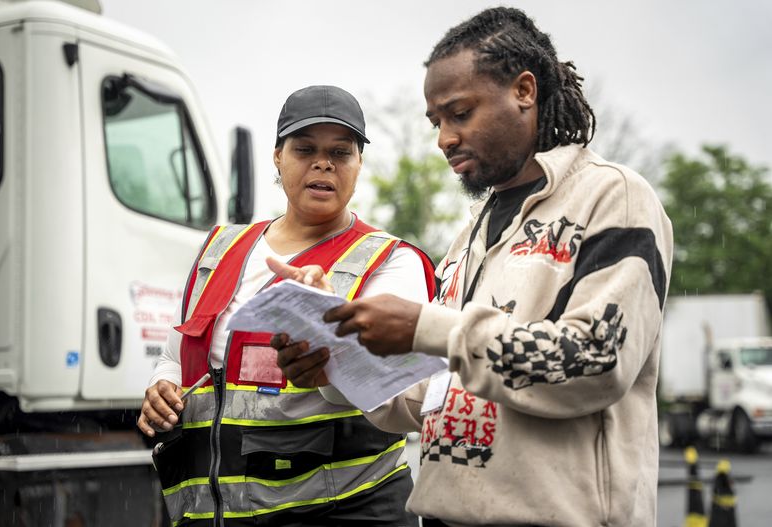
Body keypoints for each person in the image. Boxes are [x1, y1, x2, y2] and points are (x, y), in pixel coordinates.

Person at [272, 8, 674, 527]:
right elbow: (433, 393)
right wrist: (335, 363)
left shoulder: (612, 197)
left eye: (460, 113)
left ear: (524, 91)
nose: (444, 138)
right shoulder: (471, 235)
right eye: (437, 122)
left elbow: (595, 361)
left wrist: (425, 326)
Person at [137, 85, 436, 527]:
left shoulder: (392, 260)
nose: (323, 163)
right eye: (305, 149)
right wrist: (162, 386)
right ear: (277, 156)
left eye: (341, 151)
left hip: (343, 513)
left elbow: (399, 390)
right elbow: (175, 355)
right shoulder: (220, 249)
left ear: (358, 164)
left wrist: (328, 316)